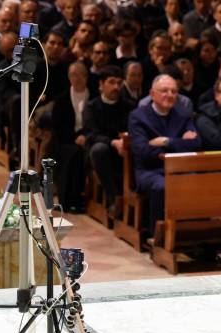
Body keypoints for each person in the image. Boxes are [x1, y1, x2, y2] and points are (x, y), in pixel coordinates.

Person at [128, 74, 200, 232]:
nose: (170, 95)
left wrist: (166, 141)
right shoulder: (138, 117)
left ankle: (194, 232)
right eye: (164, 91)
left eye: (174, 91)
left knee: (200, 183)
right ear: (152, 94)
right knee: (163, 186)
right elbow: (142, 151)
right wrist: (180, 143)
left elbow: (195, 144)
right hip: (150, 170)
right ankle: (158, 234)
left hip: (180, 169)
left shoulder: (183, 114)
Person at [83, 65, 135, 210]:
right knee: (99, 150)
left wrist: (123, 143)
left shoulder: (129, 106)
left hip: (123, 149)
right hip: (101, 151)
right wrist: (113, 142)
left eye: (119, 83)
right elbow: (92, 134)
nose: (116, 87)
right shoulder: (91, 107)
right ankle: (114, 199)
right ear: (101, 84)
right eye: (111, 82)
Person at [50, 61, 93, 213]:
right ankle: (68, 200)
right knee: (72, 154)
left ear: (87, 77)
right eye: (74, 75)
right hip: (66, 140)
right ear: (69, 77)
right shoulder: (62, 99)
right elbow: (57, 126)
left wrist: (85, 136)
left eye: (81, 75)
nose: (78, 78)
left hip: (89, 138)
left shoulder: (93, 96)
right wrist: (75, 137)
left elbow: (96, 122)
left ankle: (78, 198)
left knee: (81, 153)